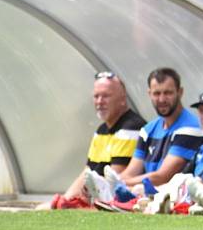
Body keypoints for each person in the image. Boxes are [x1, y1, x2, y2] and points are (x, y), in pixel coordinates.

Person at [83, 68, 203, 206]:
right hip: (150, 193)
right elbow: (131, 172)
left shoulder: (190, 128)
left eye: (168, 93)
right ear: (149, 94)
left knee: (133, 190)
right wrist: (113, 182)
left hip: (171, 196)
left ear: (180, 92)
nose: (162, 99)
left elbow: (162, 176)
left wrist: (116, 183)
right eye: (157, 93)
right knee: (129, 191)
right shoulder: (148, 130)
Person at [38, 72, 145, 210]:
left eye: (106, 96)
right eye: (96, 96)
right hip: (96, 199)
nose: (100, 101)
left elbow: (115, 179)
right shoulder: (102, 130)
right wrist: (65, 199)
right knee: (45, 208)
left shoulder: (131, 128)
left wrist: (77, 202)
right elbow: (87, 171)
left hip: (111, 202)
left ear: (122, 99)